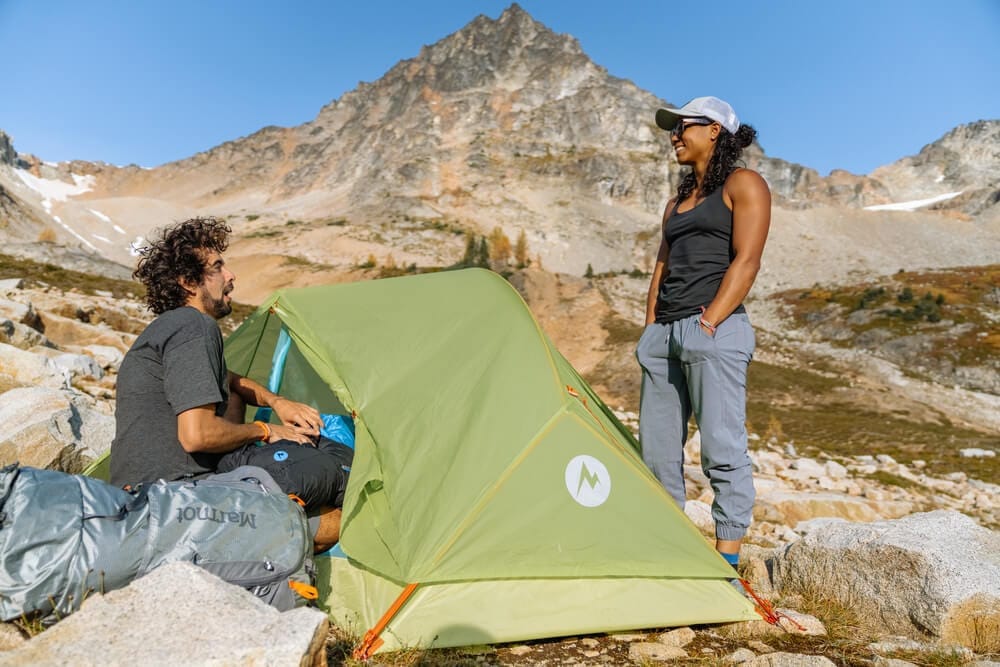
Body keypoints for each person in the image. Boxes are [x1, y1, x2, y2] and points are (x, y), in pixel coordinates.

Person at [110, 217, 347, 552]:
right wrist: (266, 430)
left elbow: (229, 379)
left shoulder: (168, 330)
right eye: (218, 267)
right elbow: (196, 435)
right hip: (177, 501)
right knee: (341, 512)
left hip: (138, 501)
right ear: (189, 282)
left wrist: (277, 401)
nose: (231, 275)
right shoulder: (194, 326)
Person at [636, 96, 771, 579]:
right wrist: (651, 327)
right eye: (672, 128)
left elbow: (747, 260)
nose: (674, 135)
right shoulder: (677, 202)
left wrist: (711, 321)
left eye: (683, 126)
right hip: (664, 336)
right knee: (655, 452)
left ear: (714, 130)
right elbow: (662, 265)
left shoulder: (744, 184)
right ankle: (668, 556)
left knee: (721, 446)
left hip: (713, 329)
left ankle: (725, 564)